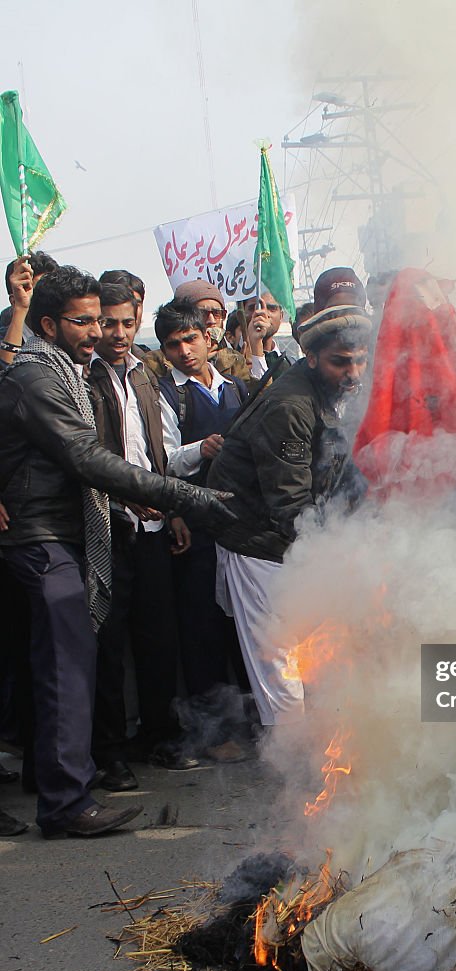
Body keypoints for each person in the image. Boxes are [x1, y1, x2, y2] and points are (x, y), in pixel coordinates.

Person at [0, 266, 235, 837]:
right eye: (82, 321)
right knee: (65, 666)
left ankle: (54, 785)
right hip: (39, 534)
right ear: (48, 324)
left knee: (51, 666)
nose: (96, 331)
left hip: (65, 530)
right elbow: (88, 459)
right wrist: (186, 495)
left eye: (100, 320)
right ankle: (67, 803)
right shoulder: (37, 379)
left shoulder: (68, 375)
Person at [207, 307, 372, 727]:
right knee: (279, 662)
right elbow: (290, 506)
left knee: (323, 651)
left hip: (298, 542)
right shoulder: (290, 406)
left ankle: (323, 749)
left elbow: (344, 480)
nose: (353, 373)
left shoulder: (341, 396)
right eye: (340, 362)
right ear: (312, 357)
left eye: (359, 360)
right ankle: (295, 763)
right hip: (257, 544)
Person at [87, 282, 192, 785]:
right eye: (109, 323)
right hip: (104, 525)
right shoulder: (82, 377)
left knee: (158, 637)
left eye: (128, 323)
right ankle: (109, 751)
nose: (119, 333)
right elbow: (89, 460)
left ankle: (160, 736)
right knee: (108, 643)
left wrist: (170, 510)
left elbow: (154, 455)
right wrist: (127, 498)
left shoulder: (143, 377)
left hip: (151, 521)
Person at [156, 299, 251, 761]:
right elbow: (164, 460)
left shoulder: (236, 389)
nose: (184, 351)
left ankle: (253, 723)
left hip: (238, 526)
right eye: (172, 345)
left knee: (243, 623)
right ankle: (212, 734)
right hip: (195, 525)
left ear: (208, 339)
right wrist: (202, 449)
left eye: (190, 340)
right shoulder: (165, 394)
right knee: (202, 629)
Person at [0, 251, 59, 363]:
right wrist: (20, 308)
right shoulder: (4, 342)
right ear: (14, 301)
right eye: (41, 293)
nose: (50, 300)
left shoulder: (68, 334)